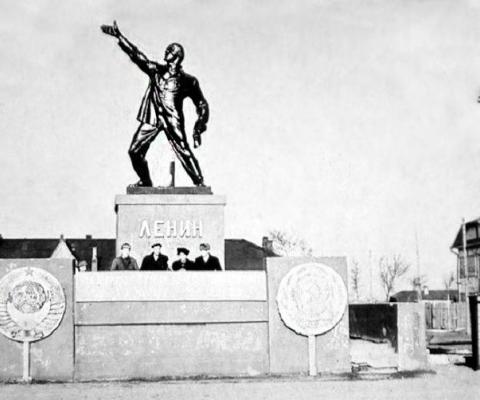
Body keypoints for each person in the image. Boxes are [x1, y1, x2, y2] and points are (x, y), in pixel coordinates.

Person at [101, 21, 209, 187]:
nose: (166, 52)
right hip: (154, 118)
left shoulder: (188, 81)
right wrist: (119, 37)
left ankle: (200, 183)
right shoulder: (156, 71)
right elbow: (137, 56)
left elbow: (202, 104)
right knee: (134, 151)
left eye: (170, 50)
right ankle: (145, 181)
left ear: (178, 56)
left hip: (172, 119)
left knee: (183, 150)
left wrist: (199, 125)